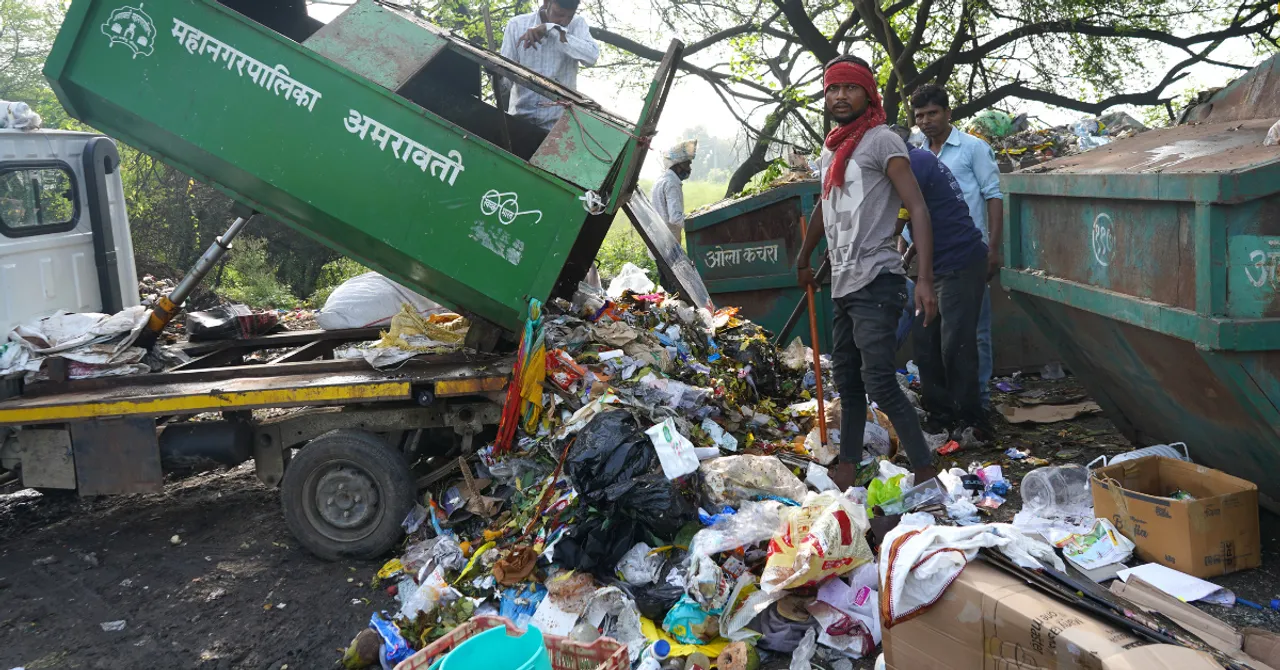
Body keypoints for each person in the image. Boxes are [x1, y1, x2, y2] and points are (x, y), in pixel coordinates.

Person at [795, 55, 939, 489]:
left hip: (878, 277)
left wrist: (925, 280)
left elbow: (917, 208)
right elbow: (825, 205)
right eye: (833, 89)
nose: (840, 96)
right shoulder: (832, 147)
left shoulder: (881, 140)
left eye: (850, 88)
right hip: (844, 281)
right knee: (847, 381)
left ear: (868, 94)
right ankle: (847, 468)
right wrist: (804, 257)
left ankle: (925, 473)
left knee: (879, 381)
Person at [887, 125, 990, 437]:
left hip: (960, 262)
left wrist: (923, 279)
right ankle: (940, 417)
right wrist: (908, 257)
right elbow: (924, 218)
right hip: (937, 263)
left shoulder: (913, 165)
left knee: (956, 345)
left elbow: (900, 223)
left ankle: (972, 421)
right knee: (926, 343)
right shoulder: (915, 161)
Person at [911, 84, 1003, 410]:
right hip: (931, 259)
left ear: (948, 113)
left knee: (974, 333)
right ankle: (951, 406)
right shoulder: (917, 154)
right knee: (937, 337)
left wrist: (993, 248)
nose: (926, 121)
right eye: (919, 116)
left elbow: (993, 195)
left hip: (969, 254)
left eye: (932, 113)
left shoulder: (972, 148)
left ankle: (980, 402)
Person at [499, 0, 600, 131]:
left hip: (558, 127)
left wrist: (552, 30)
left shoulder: (577, 24)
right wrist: (497, 76)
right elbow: (505, 79)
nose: (564, 21)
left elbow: (592, 57)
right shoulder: (516, 25)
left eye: (569, 16)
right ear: (547, 3)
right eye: (559, 14)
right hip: (519, 120)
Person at [651, 140, 697, 244]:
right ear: (677, 165)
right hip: (668, 243)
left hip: (658, 241)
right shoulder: (672, 183)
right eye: (687, 165)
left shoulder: (661, 180)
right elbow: (675, 218)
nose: (689, 169)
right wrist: (698, 224)